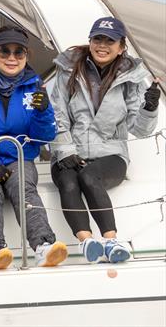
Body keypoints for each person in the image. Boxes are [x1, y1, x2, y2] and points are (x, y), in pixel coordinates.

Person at [50, 17, 160, 263]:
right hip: (70, 153)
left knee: (89, 175)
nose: (102, 45)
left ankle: (111, 242)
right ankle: (87, 241)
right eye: (97, 38)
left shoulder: (132, 79)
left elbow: (140, 130)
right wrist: (65, 151)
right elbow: (57, 114)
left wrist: (149, 107)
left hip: (110, 155)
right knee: (68, 180)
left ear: (121, 47)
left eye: (110, 40)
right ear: (90, 42)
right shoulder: (67, 70)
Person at [0, 26, 67, 270]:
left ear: (27, 56)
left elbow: (43, 136)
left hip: (18, 158)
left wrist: (43, 112)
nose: (11, 58)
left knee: (23, 187)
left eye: (19, 53)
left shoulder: (34, 84)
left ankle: (43, 246)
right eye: (4, 51)